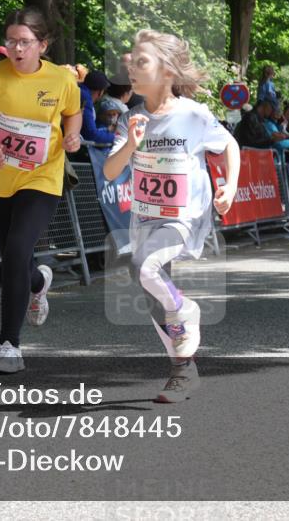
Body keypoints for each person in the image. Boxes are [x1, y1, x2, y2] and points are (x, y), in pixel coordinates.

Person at [104, 29, 240, 403]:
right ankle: (183, 370)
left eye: (141, 60)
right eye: (131, 60)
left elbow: (229, 145)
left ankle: (186, 309)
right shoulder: (130, 118)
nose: (131, 65)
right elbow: (111, 172)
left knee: (143, 268)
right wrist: (131, 143)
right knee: (148, 285)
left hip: (184, 217)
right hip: (147, 217)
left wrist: (229, 186)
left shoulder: (193, 115)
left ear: (167, 71)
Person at [0, 7, 82, 374]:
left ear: (42, 45)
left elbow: (72, 112)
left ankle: (8, 344)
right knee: (15, 257)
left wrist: (73, 134)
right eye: (11, 40)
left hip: (43, 176)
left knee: (16, 250)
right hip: (0, 177)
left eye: (25, 42)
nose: (16, 48)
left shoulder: (61, 81)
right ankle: (38, 280)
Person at [79, 69, 115, 145]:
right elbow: (90, 133)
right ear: (100, 92)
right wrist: (116, 137)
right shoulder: (85, 98)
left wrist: (105, 130)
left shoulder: (80, 90)